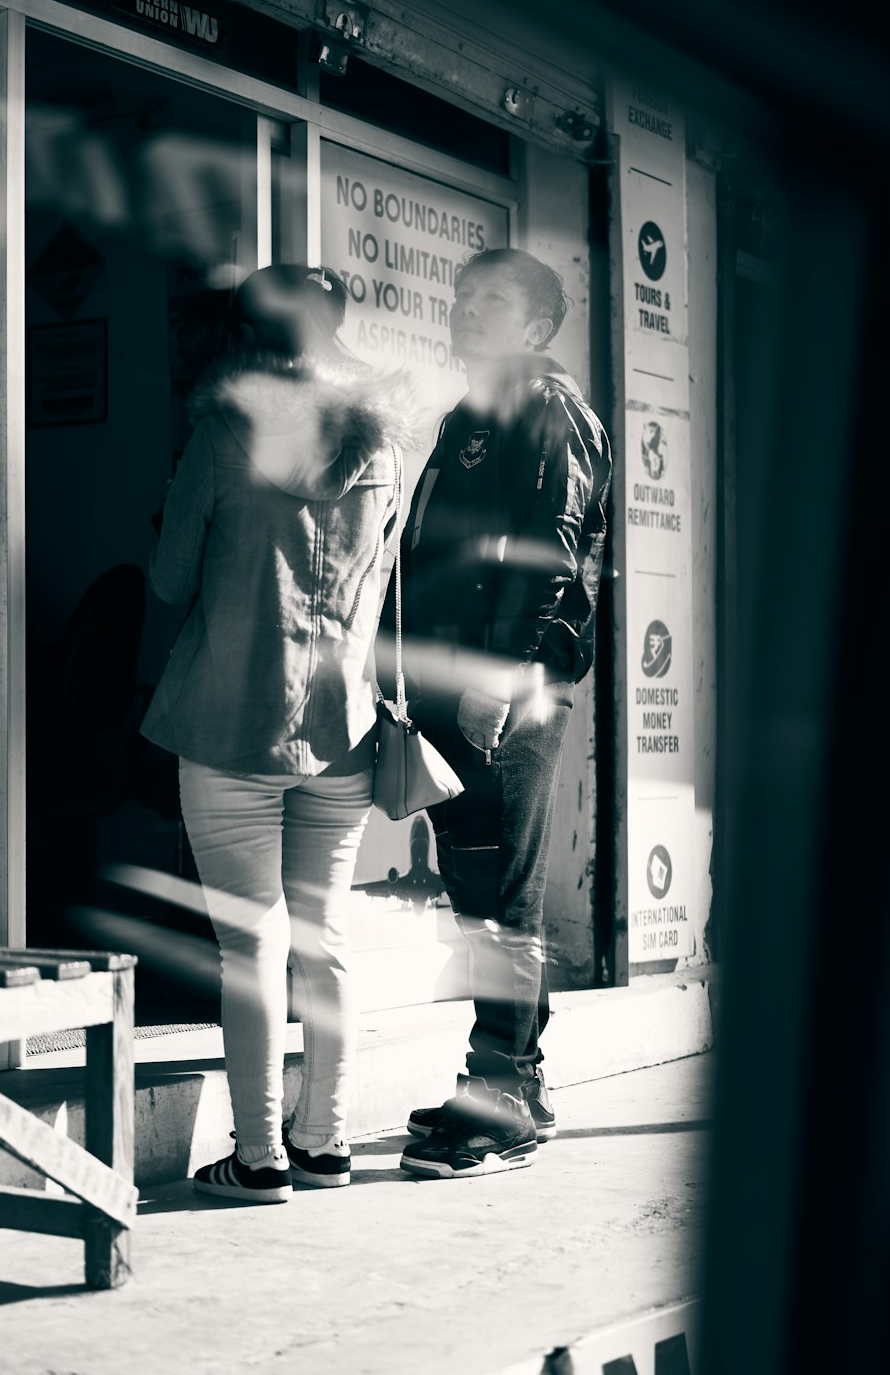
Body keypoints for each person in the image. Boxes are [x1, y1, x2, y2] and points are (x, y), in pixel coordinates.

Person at [142, 263, 413, 1203]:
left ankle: (257, 1157)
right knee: (326, 942)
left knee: (247, 949)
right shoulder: (385, 444)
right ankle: (326, 1143)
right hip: (342, 726)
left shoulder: (221, 432)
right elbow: (383, 579)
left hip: (226, 724)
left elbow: (170, 578)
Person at [382, 246, 612, 1179]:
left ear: (538, 329)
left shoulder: (548, 410)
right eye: (463, 296)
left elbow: (548, 558)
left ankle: (503, 1093)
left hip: (502, 691)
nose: (467, 310)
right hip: (449, 687)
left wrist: (501, 677)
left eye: (494, 302)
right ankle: (514, 1080)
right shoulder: (470, 414)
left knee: (499, 894)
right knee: (477, 888)